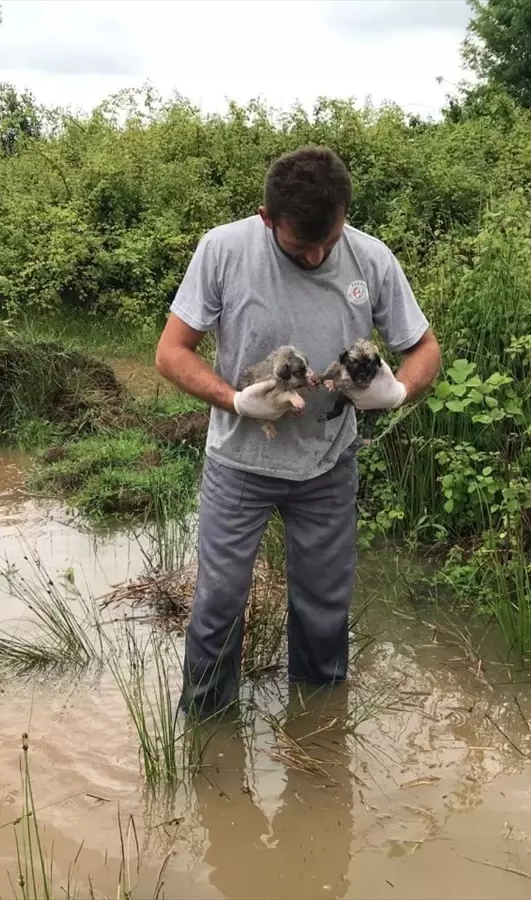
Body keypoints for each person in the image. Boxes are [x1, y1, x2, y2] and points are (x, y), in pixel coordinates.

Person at [154, 145, 440, 720]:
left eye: (327, 243)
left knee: (324, 608)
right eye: (298, 245)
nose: (315, 257)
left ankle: (320, 735)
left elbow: (424, 349)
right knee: (218, 604)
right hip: (239, 465)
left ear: (344, 215)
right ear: (267, 218)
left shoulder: (372, 259)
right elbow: (170, 352)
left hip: (328, 467)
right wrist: (234, 400)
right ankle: (208, 734)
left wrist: (400, 391)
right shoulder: (224, 249)